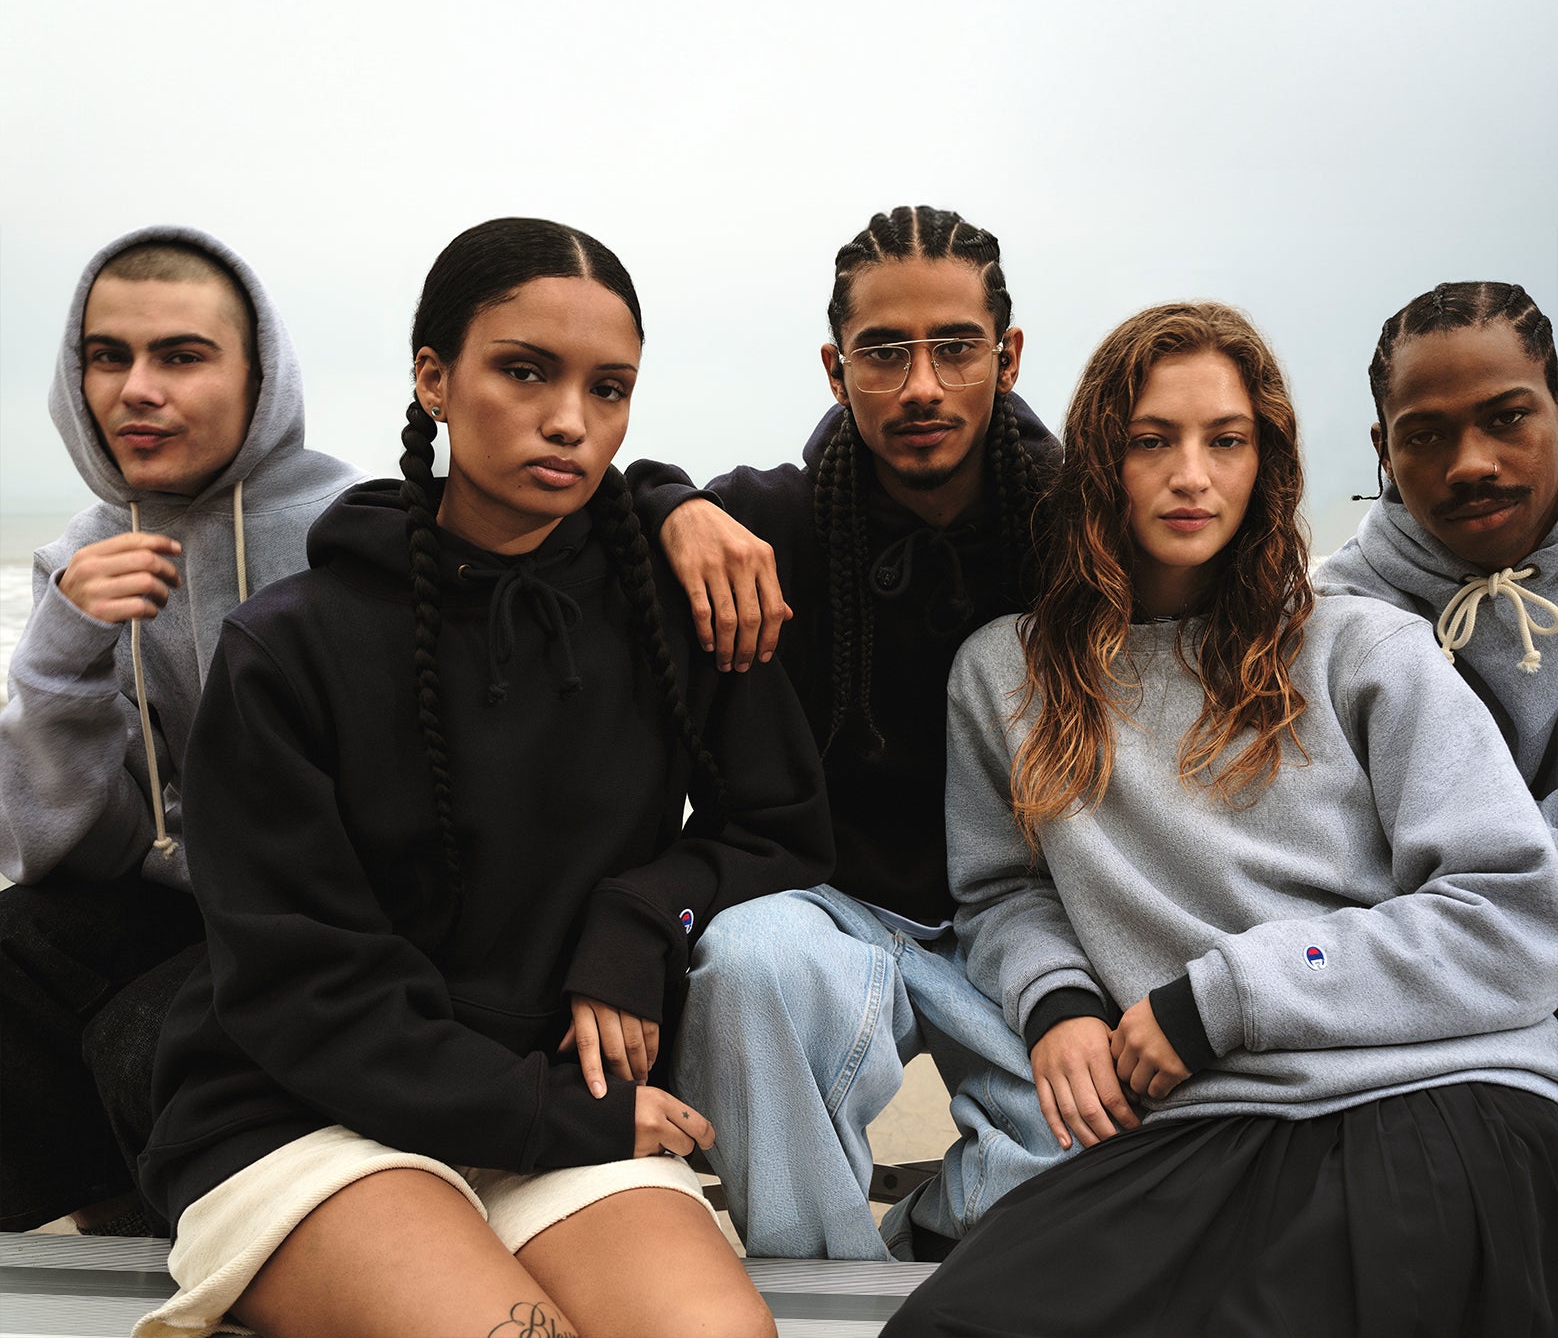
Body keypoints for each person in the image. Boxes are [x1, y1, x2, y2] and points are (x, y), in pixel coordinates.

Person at [132, 217, 832, 1338]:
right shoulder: (289, 648)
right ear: (433, 378)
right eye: (524, 371)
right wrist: (541, 1110)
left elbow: (782, 831)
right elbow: (300, 989)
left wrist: (644, 912)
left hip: (555, 1097)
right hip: (305, 1112)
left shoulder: (669, 611)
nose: (570, 420)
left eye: (609, 389)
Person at [882, 300, 1558, 1338]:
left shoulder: (1363, 648)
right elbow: (1002, 889)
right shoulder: (1001, 673)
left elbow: (1513, 919)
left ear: (1266, 462)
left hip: (1433, 1095)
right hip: (1197, 1124)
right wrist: (1055, 1002)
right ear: (1100, 457)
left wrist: (1229, 996)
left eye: (1225, 440)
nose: (1190, 475)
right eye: (1151, 440)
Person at [628, 206, 1064, 1260]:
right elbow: (574, 524)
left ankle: (923, 1235)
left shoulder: (1073, 531)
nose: (921, 385)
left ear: (1005, 357)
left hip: (1019, 913)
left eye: (955, 347)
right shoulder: (772, 521)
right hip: (822, 902)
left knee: (1081, 1149)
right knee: (747, 971)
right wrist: (665, 503)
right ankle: (819, 1285)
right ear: (836, 370)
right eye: (884, 352)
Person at [0, 226, 358, 1235]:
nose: (135, 389)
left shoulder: (352, 532)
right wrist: (60, 650)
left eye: (181, 356)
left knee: (148, 1032)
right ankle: (94, 1251)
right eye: (108, 356)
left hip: (331, 920)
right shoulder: (81, 556)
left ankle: (233, 1256)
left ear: (261, 377)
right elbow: (51, 849)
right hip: (169, 902)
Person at [1319, 279, 1558, 838]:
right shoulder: (1326, 626)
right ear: (1384, 450)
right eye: (1426, 436)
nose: (1470, 465)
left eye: (1506, 418)